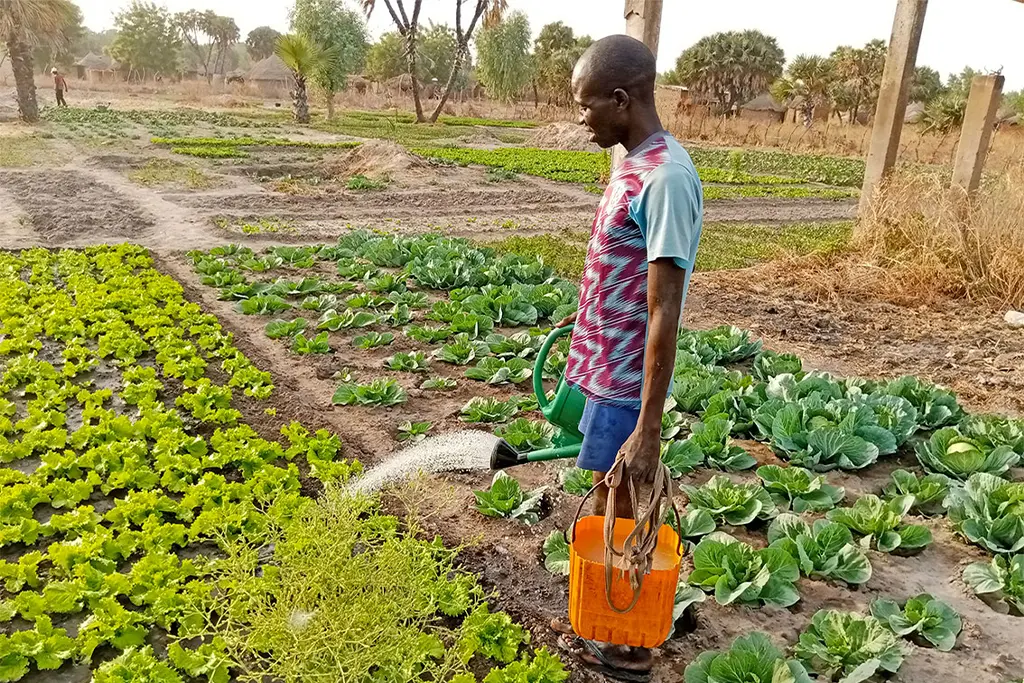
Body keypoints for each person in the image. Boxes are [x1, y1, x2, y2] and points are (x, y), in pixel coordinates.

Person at [550, 34, 704, 682]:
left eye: (587, 106)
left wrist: (647, 428)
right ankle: (621, 617)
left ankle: (626, 644)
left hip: (626, 386)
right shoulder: (630, 160)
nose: (580, 118)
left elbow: (664, 308)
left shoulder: (666, 176)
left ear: (621, 99)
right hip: (602, 370)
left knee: (620, 506)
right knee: (609, 500)